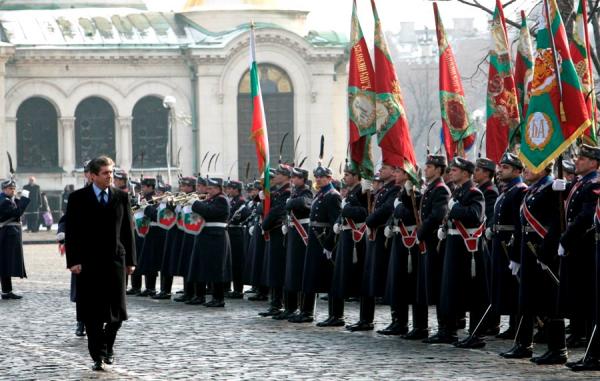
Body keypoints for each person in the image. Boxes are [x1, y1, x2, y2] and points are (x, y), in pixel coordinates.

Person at [65, 156, 136, 371]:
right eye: (105, 173)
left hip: (115, 261)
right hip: (88, 263)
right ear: (93, 176)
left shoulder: (121, 197)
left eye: (111, 172)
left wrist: (131, 261)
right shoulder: (78, 198)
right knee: (91, 312)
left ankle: (108, 345)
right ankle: (97, 354)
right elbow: (72, 232)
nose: (110, 177)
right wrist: (73, 261)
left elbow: (128, 231)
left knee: (117, 312)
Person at [346, 163, 398, 331]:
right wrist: (365, 186)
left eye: (385, 167)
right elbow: (364, 202)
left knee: (390, 280)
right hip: (373, 237)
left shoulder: (394, 189)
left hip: (384, 237)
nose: (381, 170)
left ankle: (398, 321)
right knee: (367, 277)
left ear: (393, 171)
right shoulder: (383, 189)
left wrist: (370, 220)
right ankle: (365, 319)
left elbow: (386, 209)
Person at [320, 163, 368, 327]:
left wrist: (346, 211)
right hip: (345, 236)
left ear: (356, 176)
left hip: (356, 239)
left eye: (348, 174)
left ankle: (364, 319)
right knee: (337, 277)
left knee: (360, 279)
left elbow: (364, 213)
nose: (345, 177)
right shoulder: (351, 191)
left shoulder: (362, 191)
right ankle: (335, 315)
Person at [418, 155, 451, 342]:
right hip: (428, 242)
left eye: (429, 166)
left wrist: (420, 232)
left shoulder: (440, 190)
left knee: (439, 286)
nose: (426, 169)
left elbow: (436, 215)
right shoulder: (430, 188)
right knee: (432, 284)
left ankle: (446, 328)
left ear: (439, 169)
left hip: (435, 243)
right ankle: (441, 327)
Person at [187, 177, 232, 307]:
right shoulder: (211, 199)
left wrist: (195, 203)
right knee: (201, 266)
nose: (208, 190)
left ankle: (218, 298)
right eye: (208, 188)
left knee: (216, 269)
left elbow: (209, 212)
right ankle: (199, 296)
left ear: (218, 188)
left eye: (211, 188)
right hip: (205, 235)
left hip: (216, 237)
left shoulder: (222, 200)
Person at [259, 165, 292, 317]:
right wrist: (263, 198)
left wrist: (265, 224)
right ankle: (275, 303)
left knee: (279, 269)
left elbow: (277, 211)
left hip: (281, 233)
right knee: (274, 268)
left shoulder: (287, 192)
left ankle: (281, 303)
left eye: (279, 174)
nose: (275, 176)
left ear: (286, 176)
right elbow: (264, 209)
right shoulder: (278, 192)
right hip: (274, 232)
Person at [0, 179, 30, 300]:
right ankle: (6, 291)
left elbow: (16, 206)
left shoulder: (7, 200)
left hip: (9, 235)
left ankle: (7, 291)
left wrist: (19, 198)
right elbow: (17, 212)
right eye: (10, 189)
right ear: (4, 189)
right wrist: (24, 199)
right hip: (6, 235)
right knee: (5, 263)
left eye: (13, 188)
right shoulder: (4, 201)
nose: (13, 191)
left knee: (5, 263)